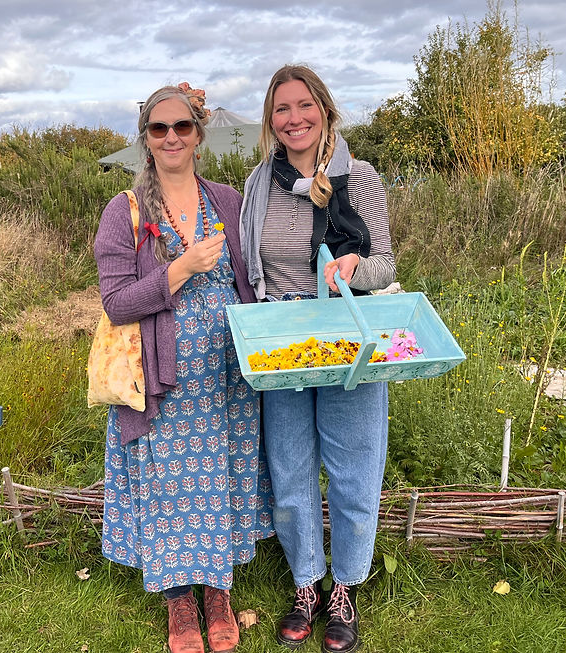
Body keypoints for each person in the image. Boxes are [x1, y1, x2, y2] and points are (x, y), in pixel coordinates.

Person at [95, 83, 274, 653]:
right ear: (146, 139)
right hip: (164, 376)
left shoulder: (227, 200)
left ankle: (218, 590)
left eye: (182, 127)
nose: (171, 137)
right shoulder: (124, 212)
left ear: (198, 135)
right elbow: (118, 302)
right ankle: (177, 599)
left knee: (218, 478)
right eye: (158, 128)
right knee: (171, 484)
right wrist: (180, 269)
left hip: (227, 376)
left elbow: (256, 278)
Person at [240, 65, 396, 653]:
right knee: (290, 468)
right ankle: (306, 581)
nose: (294, 118)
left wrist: (357, 268)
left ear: (325, 110)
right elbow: (252, 269)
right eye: (282, 109)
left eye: (304, 105)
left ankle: (347, 586)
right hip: (281, 345)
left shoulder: (361, 178)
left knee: (355, 469)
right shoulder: (260, 184)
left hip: (348, 341)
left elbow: (386, 264)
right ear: (271, 121)